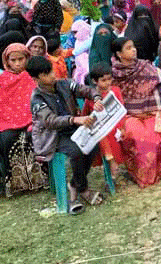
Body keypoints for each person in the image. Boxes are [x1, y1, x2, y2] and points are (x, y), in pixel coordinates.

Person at [28, 55, 104, 215]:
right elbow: (50, 121)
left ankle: (74, 184)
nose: (53, 75)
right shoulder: (37, 98)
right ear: (37, 78)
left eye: (51, 71)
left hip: (72, 129)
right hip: (53, 136)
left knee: (94, 143)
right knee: (77, 151)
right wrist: (75, 119)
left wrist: (97, 98)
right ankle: (82, 189)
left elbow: (87, 89)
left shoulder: (64, 84)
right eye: (47, 73)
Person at [110, 38, 161, 187]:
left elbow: (159, 91)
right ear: (119, 54)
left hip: (152, 110)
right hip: (128, 115)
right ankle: (144, 176)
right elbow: (114, 102)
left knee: (160, 128)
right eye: (128, 48)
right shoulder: (113, 75)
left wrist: (154, 110)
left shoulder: (146, 67)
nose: (133, 50)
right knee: (139, 136)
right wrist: (132, 114)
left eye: (133, 46)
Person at [0, 44, 47, 197]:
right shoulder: (3, 80)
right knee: (7, 140)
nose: (18, 63)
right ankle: (16, 185)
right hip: (8, 121)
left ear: (28, 58)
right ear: (7, 61)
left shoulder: (31, 77)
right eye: (13, 60)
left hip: (32, 120)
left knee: (32, 136)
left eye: (21, 59)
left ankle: (40, 180)